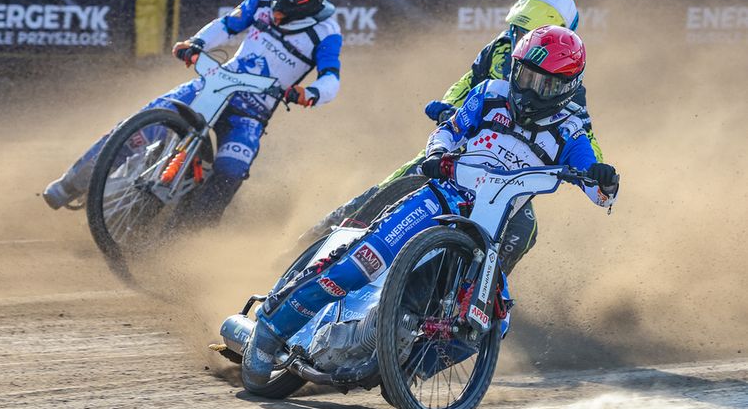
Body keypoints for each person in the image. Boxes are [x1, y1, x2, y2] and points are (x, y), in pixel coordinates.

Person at [242, 25, 619, 387]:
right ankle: (272, 328)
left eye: (543, 84)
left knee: (492, 321)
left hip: (491, 228)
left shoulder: (571, 129)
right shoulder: (490, 93)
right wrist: (437, 153)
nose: (529, 89)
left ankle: (407, 372)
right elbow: (450, 129)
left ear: (566, 88)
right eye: (524, 76)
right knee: (362, 262)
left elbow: (597, 188)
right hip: (441, 197)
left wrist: (604, 181)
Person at [43, 0, 343, 224]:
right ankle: (70, 184)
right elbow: (227, 25)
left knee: (230, 170)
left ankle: (186, 239)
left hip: (251, 114)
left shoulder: (327, 32)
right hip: (215, 84)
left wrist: (309, 93)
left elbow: (331, 79)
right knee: (145, 121)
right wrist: (197, 43)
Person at [305, 0, 595, 275]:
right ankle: (319, 238)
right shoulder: (499, 48)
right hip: (463, 149)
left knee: (524, 232)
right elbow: (467, 83)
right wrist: (449, 107)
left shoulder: (570, 87)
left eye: (527, 32)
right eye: (517, 30)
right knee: (403, 180)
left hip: (510, 179)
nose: (518, 39)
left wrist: (594, 171)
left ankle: (475, 289)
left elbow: (586, 140)